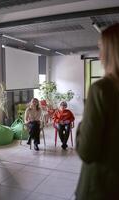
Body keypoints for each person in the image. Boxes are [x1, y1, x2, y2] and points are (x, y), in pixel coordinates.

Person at [75, 23, 119, 200]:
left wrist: (81, 126)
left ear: (111, 52)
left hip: (99, 189)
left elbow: (87, 152)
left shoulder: (101, 89)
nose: (100, 56)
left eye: (101, 48)